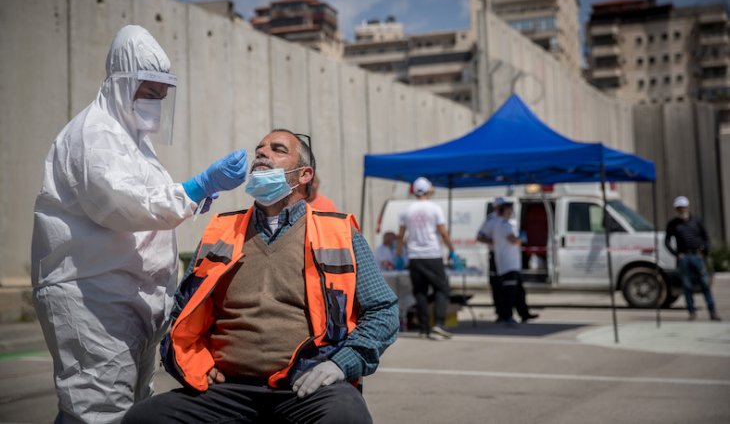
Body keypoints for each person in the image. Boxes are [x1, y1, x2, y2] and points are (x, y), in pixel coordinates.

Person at [30, 25, 250, 424]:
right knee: (98, 411)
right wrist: (199, 185)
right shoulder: (94, 135)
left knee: (129, 409)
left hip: (126, 295)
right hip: (93, 295)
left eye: (161, 96)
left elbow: (149, 205)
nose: (155, 104)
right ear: (122, 83)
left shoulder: (131, 139)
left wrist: (198, 197)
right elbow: (126, 205)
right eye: (148, 93)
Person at [122, 129, 399, 424]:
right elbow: (184, 308)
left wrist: (341, 364)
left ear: (304, 174)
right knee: (144, 418)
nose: (262, 153)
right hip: (227, 388)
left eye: (278, 149)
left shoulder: (340, 233)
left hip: (309, 385)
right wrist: (199, 362)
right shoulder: (221, 230)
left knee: (346, 416)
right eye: (259, 149)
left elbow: (383, 311)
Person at [396, 177, 456, 340]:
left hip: (414, 256)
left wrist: (398, 255)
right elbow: (443, 232)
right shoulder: (434, 208)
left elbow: (401, 235)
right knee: (441, 289)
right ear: (428, 190)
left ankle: (424, 327)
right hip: (432, 254)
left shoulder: (406, 210)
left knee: (420, 291)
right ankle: (439, 323)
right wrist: (452, 250)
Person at [664, 196, 721, 321]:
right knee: (687, 286)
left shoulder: (696, 221)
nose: (681, 210)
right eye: (679, 208)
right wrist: (676, 253)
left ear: (687, 207)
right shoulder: (673, 224)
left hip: (697, 256)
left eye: (683, 207)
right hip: (684, 257)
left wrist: (704, 252)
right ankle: (691, 312)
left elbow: (706, 238)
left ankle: (712, 312)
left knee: (705, 284)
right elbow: (667, 241)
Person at [491, 200, 539, 325]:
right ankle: (507, 316)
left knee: (519, 291)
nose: (511, 211)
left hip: (512, 263)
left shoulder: (507, 223)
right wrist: (521, 238)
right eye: (508, 209)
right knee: (509, 292)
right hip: (507, 264)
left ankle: (524, 313)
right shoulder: (502, 224)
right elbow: (514, 240)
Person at [477, 197, 508, 322]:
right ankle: (501, 313)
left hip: (506, 255)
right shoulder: (491, 220)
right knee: (497, 285)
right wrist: (495, 242)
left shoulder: (508, 219)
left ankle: (513, 312)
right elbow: (480, 237)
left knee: (510, 285)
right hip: (495, 255)